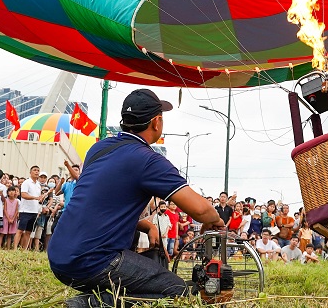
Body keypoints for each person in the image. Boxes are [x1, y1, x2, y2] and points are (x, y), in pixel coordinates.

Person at [47, 89, 225, 307]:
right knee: (178, 292)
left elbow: (99, 205)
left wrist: (146, 225)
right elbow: (202, 210)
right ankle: (86, 304)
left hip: (59, 255)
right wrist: (215, 220)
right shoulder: (148, 160)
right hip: (94, 261)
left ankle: (95, 299)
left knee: (145, 280)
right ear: (156, 122)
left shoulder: (99, 148)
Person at [18, 166, 43, 250]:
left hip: (34, 211)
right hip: (25, 210)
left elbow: (38, 198)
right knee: (20, 230)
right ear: (30, 172)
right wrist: (34, 198)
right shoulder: (26, 182)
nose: (36, 172)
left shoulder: (38, 184)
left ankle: (24, 249)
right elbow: (23, 195)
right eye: (34, 170)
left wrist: (39, 199)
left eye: (38, 170)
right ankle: (14, 248)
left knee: (29, 231)